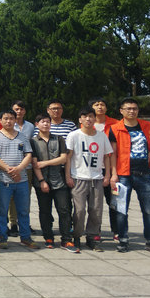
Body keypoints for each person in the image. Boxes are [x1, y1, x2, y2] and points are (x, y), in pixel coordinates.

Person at [110, 98, 150, 254]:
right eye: (128, 108)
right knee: (121, 210)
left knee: (148, 210)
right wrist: (113, 175)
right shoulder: (115, 128)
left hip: (144, 174)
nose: (132, 111)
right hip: (123, 175)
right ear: (121, 111)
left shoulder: (147, 126)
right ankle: (123, 240)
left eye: (135, 108)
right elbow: (112, 154)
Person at [65, 107, 113, 252]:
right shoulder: (74, 135)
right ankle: (77, 236)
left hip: (97, 178)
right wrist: (68, 176)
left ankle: (92, 238)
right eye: (84, 116)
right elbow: (68, 157)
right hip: (79, 178)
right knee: (79, 211)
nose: (88, 119)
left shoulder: (102, 136)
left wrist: (107, 175)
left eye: (91, 116)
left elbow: (107, 156)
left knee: (96, 211)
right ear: (80, 119)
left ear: (94, 118)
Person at [0, 110, 37, 249]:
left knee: (23, 211)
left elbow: (28, 155)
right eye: (5, 118)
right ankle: (2, 237)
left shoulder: (22, 137)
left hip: (22, 180)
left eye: (11, 118)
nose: (8, 121)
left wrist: (18, 169)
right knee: (2, 210)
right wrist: (8, 169)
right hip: (3, 180)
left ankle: (25, 237)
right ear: (0, 120)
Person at [30, 114, 76, 252]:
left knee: (64, 210)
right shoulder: (32, 141)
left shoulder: (59, 139)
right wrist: (42, 181)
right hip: (41, 181)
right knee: (45, 211)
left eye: (48, 122)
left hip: (59, 180)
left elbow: (63, 159)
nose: (46, 124)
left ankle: (66, 239)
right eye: (43, 122)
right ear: (37, 124)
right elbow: (34, 164)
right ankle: (48, 237)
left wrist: (45, 163)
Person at [89, 96, 120, 241]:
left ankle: (117, 230)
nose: (100, 106)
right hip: (93, 169)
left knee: (113, 201)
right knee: (94, 203)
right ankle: (96, 230)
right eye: (96, 104)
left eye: (102, 104)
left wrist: (113, 172)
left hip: (112, 168)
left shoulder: (116, 124)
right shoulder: (87, 125)